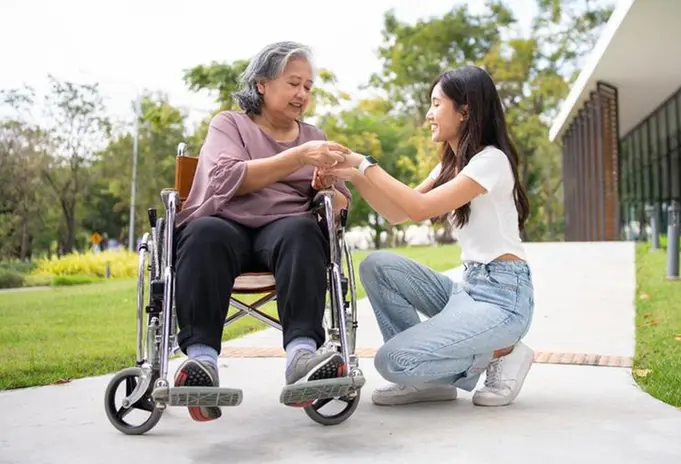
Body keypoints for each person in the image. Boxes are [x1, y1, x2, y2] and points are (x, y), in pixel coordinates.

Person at [320, 65, 535, 408]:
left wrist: (364, 164)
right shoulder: (449, 165)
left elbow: (419, 208)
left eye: (437, 104)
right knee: (377, 266)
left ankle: (502, 352)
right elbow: (398, 213)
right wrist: (355, 176)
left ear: (464, 111)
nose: (429, 114)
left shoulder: (490, 161)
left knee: (391, 361)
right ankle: (425, 382)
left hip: (503, 299)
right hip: (468, 290)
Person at [171, 41, 352, 422]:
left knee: (304, 230)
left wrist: (325, 188)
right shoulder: (229, 124)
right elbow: (226, 178)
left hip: (284, 233)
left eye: (308, 86)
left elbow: (340, 207)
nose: (302, 93)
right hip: (224, 223)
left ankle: (302, 356)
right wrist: (300, 157)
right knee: (203, 234)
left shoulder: (313, 134)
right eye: (293, 83)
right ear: (261, 85)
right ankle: (201, 364)